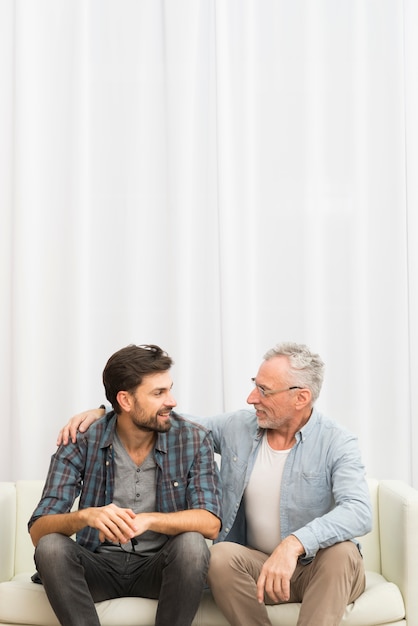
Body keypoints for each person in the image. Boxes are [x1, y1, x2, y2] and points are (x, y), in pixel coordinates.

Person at [58, 342, 372, 626]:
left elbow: (358, 511)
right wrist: (106, 411)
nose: (252, 399)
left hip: (318, 568)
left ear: (300, 397)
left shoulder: (337, 442)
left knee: (342, 553)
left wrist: (294, 545)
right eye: (254, 386)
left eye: (264, 391)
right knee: (219, 556)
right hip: (258, 568)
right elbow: (163, 419)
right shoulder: (238, 427)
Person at [29, 344, 222, 626]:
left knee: (193, 545)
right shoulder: (83, 439)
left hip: (160, 569)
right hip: (97, 568)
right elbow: (38, 530)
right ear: (126, 400)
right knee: (51, 547)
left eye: (169, 389)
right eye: (159, 393)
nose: (172, 401)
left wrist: (149, 520)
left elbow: (210, 523)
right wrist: (85, 517)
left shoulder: (193, 439)